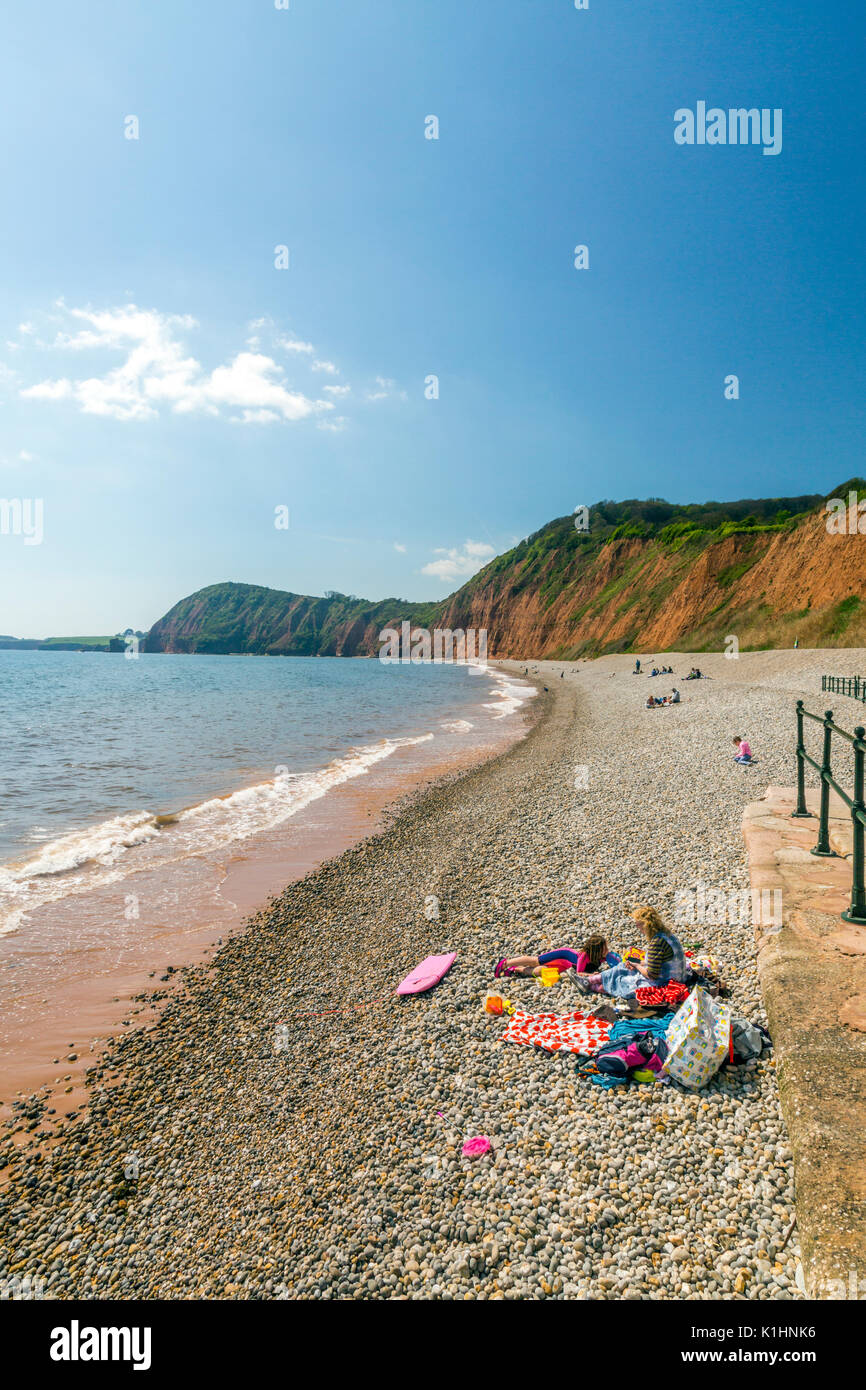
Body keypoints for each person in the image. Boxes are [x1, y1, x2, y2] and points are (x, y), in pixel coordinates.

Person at [575, 905, 687, 999]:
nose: (637, 927)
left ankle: (590, 985)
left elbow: (652, 975)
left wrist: (637, 965)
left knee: (622, 983)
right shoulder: (666, 935)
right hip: (677, 977)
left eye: (638, 924)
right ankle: (589, 980)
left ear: (646, 924)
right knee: (623, 966)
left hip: (666, 983)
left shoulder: (657, 943)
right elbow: (654, 962)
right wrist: (634, 962)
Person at [494, 934, 621, 980]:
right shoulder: (584, 957)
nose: (607, 950)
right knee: (536, 961)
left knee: (540, 972)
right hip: (562, 956)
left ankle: (516, 969)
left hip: (565, 966)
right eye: (605, 948)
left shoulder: (602, 957)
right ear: (597, 950)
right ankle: (506, 963)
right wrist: (591, 975)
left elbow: (616, 963)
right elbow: (579, 973)